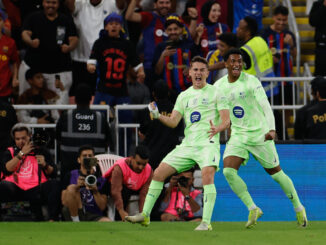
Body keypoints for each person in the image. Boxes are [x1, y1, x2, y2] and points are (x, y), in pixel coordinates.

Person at [125, 56, 231, 231]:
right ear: (189, 73)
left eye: (202, 70)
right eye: (195, 70)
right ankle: (145, 215)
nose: (198, 73)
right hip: (188, 145)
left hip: (208, 143)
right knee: (158, 173)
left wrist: (218, 129)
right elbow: (174, 121)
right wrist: (158, 116)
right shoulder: (184, 95)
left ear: (207, 73)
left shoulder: (217, 93)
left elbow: (226, 120)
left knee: (207, 176)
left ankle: (206, 222)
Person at [215, 48, 307, 228]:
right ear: (225, 64)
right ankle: (253, 208)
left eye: (239, 61)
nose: (236, 64)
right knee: (227, 171)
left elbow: (265, 106)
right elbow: (218, 112)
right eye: (233, 61)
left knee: (277, 175)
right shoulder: (219, 86)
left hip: (259, 134)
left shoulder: (251, 81)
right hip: (239, 136)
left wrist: (272, 129)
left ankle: (298, 208)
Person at [87, 12, 144, 156]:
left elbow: (137, 63)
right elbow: (91, 60)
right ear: (106, 26)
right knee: (98, 123)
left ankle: (124, 155)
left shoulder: (127, 44)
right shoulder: (99, 43)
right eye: (111, 23)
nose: (114, 26)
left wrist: (141, 72)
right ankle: (98, 154)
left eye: (117, 23)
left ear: (121, 27)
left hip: (121, 91)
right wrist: (91, 67)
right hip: (103, 89)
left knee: (125, 125)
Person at [125, 0, 197, 91]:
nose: (164, 5)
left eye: (167, 3)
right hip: (150, 67)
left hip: (170, 67)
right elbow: (129, 16)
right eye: (161, 2)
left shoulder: (174, 19)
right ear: (155, 4)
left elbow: (188, 36)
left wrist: (194, 19)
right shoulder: (149, 17)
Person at [19, 0, 78, 104]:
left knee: (59, 105)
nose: (50, 5)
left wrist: (69, 47)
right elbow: (25, 33)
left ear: (58, 4)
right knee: (26, 102)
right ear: (43, 3)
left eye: (54, 3)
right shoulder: (33, 17)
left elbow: (74, 38)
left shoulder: (65, 19)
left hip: (59, 71)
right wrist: (30, 41)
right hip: (34, 70)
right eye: (48, 2)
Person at [0, 123, 61, 221]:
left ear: (30, 136)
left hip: (37, 188)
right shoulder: (10, 151)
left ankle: (52, 220)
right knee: (2, 185)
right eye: (17, 139)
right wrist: (22, 153)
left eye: (23, 138)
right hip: (16, 188)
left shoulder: (41, 150)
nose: (21, 141)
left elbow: (53, 173)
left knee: (54, 184)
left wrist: (45, 165)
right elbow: (6, 169)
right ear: (14, 139)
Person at [56, 83, 114, 179]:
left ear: (75, 99)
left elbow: (58, 139)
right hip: (94, 168)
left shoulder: (65, 116)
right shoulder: (100, 118)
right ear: (91, 99)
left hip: (69, 166)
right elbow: (108, 142)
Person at [64, 0, 119, 96]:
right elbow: (69, 6)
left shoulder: (111, 3)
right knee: (80, 96)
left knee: (102, 96)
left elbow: (121, 6)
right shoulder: (79, 3)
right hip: (80, 60)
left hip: (104, 61)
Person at [152, 16, 200, 101]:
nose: (173, 32)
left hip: (188, 92)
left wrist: (192, 68)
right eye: (169, 30)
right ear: (166, 31)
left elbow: (200, 64)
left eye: (175, 29)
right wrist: (163, 56)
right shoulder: (160, 47)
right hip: (168, 94)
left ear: (181, 29)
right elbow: (157, 71)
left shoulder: (189, 46)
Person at [139, 80, 184, 171]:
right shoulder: (176, 111)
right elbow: (181, 136)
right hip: (170, 159)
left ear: (153, 94)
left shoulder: (146, 111)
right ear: (168, 93)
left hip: (150, 158)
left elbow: (141, 134)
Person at [61, 145, 111, 222]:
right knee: (71, 188)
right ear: (79, 160)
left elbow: (102, 207)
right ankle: (76, 222)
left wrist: (95, 191)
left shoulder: (102, 180)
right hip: (76, 212)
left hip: (94, 214)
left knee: (108, 222)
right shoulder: (70, 175)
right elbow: (64, 201)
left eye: (90, 156)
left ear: (94, 160)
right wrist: (77, 187)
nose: (87, 158)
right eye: (84, 156)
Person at [103, 145, 153, 221]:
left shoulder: (149, 170)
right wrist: (121, 211)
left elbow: (144, 194)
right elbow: (116, 191)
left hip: (133, 188)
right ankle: (118, 220)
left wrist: (143, 214)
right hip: (113, 186)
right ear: (131, 158)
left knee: (157, 190)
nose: (141, 167)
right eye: (138, 163)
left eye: (144, 164)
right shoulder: (120, 167)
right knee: (124, 192)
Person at [236, 16, 276, 98]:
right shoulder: (261, 40)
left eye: (240, 28)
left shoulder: (244, 50)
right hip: (272, 88)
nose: (237, 30)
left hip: (256, 94)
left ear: (247, 32)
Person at [0, 9, 19, 103]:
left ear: (3, 23)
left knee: (4, 116)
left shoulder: (10, 43)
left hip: (5, 90)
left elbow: (15, 62)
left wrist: (15, 78)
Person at [309, 0, 326, 76]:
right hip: (321, 47)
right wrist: (323, 7)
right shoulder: (317, 5)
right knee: (320, 76)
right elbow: (312, 21)